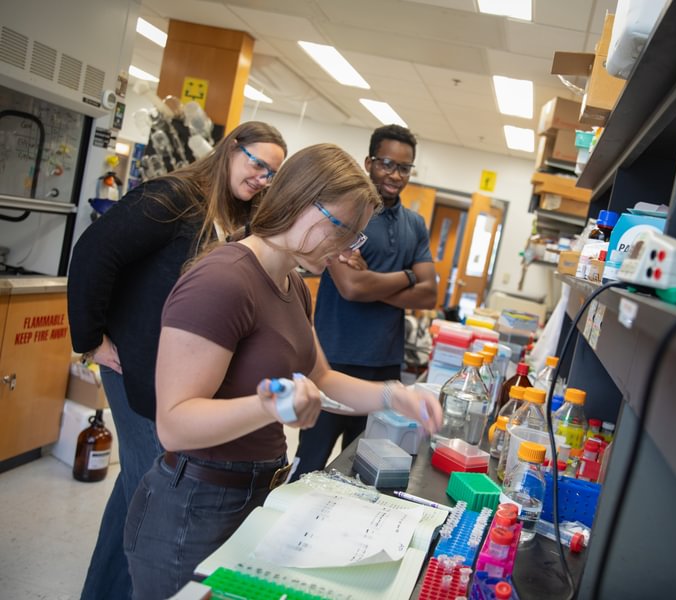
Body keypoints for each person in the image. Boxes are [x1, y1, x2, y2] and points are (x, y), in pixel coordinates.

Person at [121, 143, 443, 599]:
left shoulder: (292, 282)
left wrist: (396, 396)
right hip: (194, 508)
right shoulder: (223, 281)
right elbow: (174, 425)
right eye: (342, 229)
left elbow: (324, 378)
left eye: (355, 236)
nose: (346, 250)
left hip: (254, 495)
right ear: (301, 203)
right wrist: (267, 406)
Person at [67, 121, 287, 600]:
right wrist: (89, 341)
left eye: (273, 174)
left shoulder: (232, 215)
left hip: (165, 375)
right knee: (156, 494)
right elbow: (92, 253)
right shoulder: (174, 197)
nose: (262, 179)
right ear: (232, 149)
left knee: (136, 488)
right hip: (135, 373)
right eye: (257, 164)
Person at [290, 124, 437, 479]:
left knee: (362, 470)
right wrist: (408, 276)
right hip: (334, 362)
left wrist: (373, 280)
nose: (395, 175)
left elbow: (431, 294)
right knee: (310, 465)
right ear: (369, 162)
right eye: (387, 164)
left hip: (384, 364)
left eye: (404, 168)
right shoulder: (347, 215)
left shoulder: (414, 224)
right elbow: (351, 288)